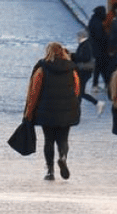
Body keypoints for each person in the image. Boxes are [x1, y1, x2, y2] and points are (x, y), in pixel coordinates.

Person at [22, 42, 81, 181]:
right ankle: (63, 157)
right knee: (63, 139)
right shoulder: (71, 69)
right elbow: (77, 90)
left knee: (49, 140)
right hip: (66, 111)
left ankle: (50, 171)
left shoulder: (42, 69)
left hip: (46, 111)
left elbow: (34, 92)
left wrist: (28, 113)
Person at [72, 30, 106, 116]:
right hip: (85, 71)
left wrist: (73, 56)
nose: (77, 38)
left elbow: (85, 57)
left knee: (80, 92)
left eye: (78, 37)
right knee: (79, 91)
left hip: (84, 71)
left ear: (81, 37)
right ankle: (77, 110)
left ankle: (97, 103)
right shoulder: (85, 44)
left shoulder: (86, 45)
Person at [87, 5, 110, 90]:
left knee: (100, 66)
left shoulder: (94, 20)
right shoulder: (98, 23)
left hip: (96, 48)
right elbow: (100, 36)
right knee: (101, 66)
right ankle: (98, 84)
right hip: (100, 48)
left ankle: (99, 83)